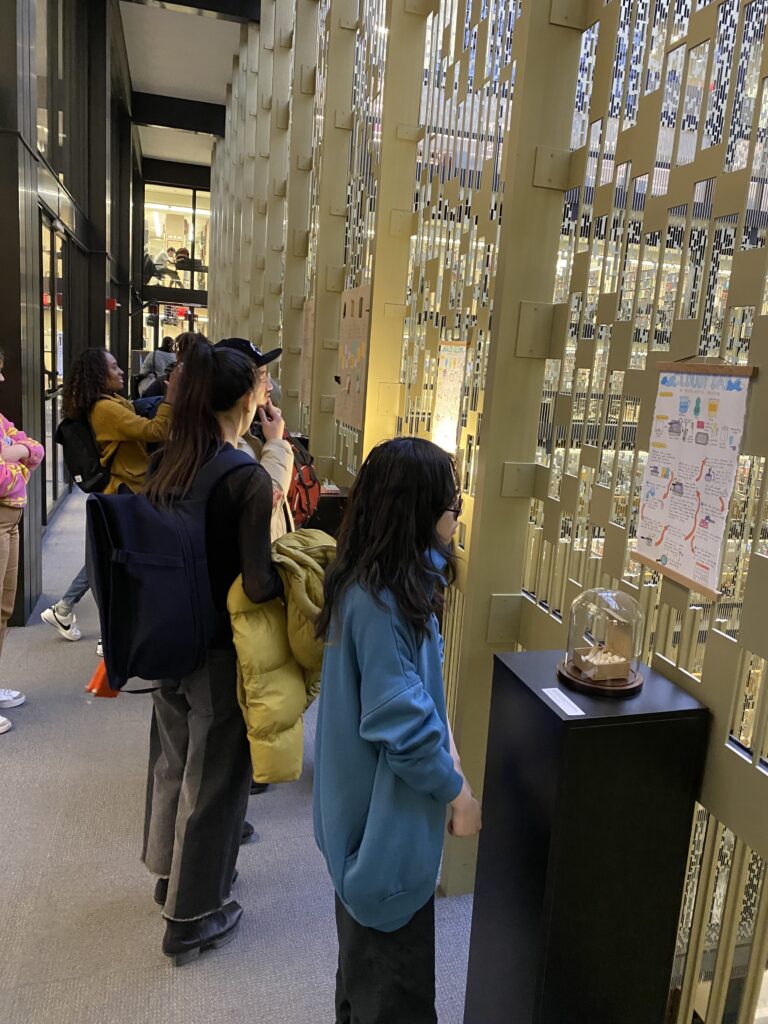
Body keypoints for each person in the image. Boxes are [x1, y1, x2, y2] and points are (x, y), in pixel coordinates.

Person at [313, 436, 482, 1024]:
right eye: (451, 500)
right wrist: (458, 793)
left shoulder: (375, 582)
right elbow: (402, 724)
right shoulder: (383, 600)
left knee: (362, 977)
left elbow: (414, 702)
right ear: (419, 511)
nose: (457, 514)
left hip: (363, 832)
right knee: (395, 996)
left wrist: (451, 759)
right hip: (383, 843)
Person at [141, 337, 283, 965]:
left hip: (167, 636)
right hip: (219, 649)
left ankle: (169, 876)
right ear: (243, 399)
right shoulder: (244, 477)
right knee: (217, 778)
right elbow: (257, 581)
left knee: (173, 763)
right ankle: (193, 916)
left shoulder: (170, 461)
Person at [41, 347, 177, 649]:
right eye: (114, 367)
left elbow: (135, 413)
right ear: (98, 376)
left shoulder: (110, 402)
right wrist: (171, 398)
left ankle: (65, 609)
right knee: (116, 564)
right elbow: (158, 429)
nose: (120, 371)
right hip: (124, 493)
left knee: (107, 557)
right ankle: (108, 634)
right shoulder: (105, 409)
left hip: (120, 493)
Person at [0, 346, 44, 734]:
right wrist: (19, 462)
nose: (1, 379)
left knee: (4, 608)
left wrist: (12, 453)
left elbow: (36, 450)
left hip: (10, 521)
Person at [216, 337, 292, 541]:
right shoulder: (229, 454)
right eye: (264, 376)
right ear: (247, 397)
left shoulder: (198, 438)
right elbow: (262, 505)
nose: (269, 387)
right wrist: (277, 443)